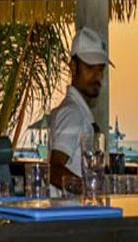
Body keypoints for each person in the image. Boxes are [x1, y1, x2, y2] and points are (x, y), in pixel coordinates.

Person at [48, 26, 113, 193]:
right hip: (71, 209)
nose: (97, 76)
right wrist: (89, 190)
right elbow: (54, 169)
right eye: (90, 68)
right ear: (73, 66)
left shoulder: (79, 111)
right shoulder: (73, 113)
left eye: (100, 69)